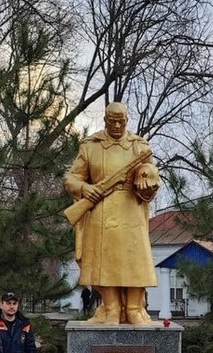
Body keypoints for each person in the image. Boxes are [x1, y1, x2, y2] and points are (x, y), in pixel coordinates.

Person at [64, 101, 160, 325]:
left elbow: (150, 173)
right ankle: (112, 308)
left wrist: (147, 175)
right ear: (105, 120)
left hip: (131, 210)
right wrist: (86, 188)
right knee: (104, 260)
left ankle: (135, 308)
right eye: (112, 120)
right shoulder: (90, 146)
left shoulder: (139, 146)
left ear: (127, 120)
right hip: (101, 209)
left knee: (134, 260)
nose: (117, 125)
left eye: (121, 120)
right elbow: (71, 178)